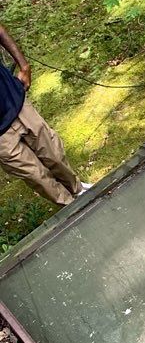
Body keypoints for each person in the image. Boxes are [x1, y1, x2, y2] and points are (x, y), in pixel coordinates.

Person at [0, 23, 89, 207]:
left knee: (53, 153)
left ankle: (78, 189)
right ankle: (72, 207)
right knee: (35, 175)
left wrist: (23, 65)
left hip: (15, 101)